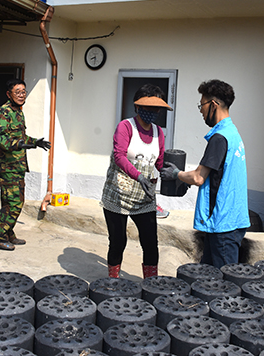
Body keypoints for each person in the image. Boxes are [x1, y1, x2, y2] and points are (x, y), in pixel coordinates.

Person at [161, 79, 250, 268]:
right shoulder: (233, 133)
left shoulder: (219, 138)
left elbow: (198, 177)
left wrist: (176, 174)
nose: (201, 111)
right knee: (208, 278)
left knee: (224, 283)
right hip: (231, 219)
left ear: (214, 104)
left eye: (202, 105)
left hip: (223, 224)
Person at [100, 84, 172, 279]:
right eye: (148, 108)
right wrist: (138, 175)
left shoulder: (159, 133)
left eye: (156, 109)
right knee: (118, 241)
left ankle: (151, 282)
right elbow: (119, 156)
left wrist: (175, 175)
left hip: (145, 198)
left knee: (150, 242)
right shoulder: (126, 127)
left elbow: (160, 162)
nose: (152, 113)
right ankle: (113, 281)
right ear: (138, 107)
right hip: (118, 196)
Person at [0, 79, 51, 251]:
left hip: (18, 167)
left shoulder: (18, 113)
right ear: (9, 94)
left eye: (23, 91)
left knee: (8, 202)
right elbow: (1, 139)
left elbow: (20, 137)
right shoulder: (3, 112)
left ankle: (8, 233)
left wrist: (34, 142)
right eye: (18, 92)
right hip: (9, 167)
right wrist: (19, 145)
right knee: (15, 203)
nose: (22, 95)